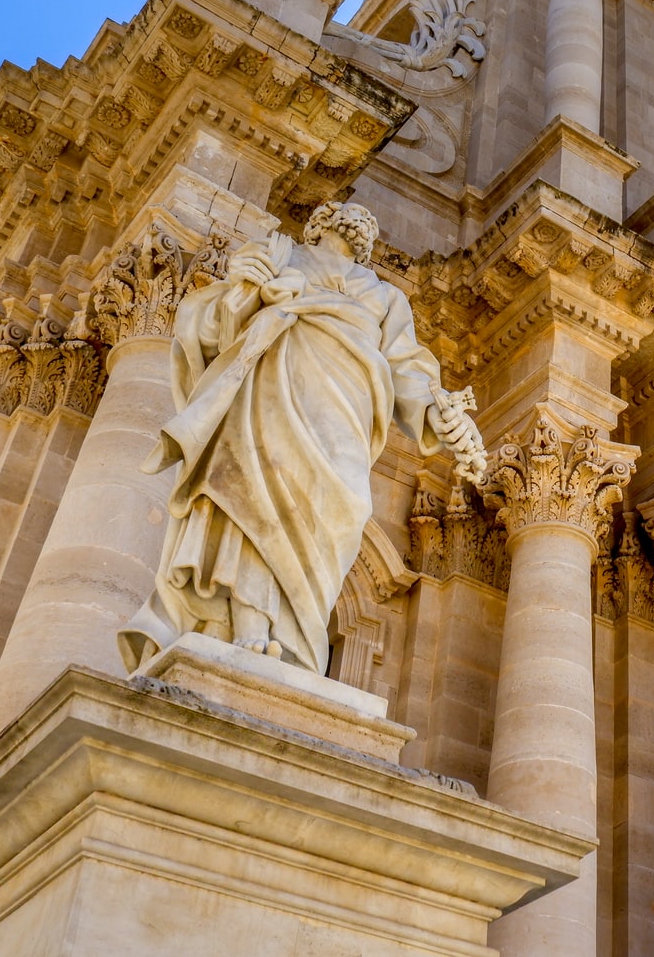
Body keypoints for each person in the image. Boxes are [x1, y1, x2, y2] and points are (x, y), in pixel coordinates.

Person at [118, 203, 485, 675]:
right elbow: (211, 321)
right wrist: (242, 288)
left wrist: (439, 415)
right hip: (271, 391)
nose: (356, 216)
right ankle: (251, 621)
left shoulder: (386, 296)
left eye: (364, 217)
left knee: (342, 512)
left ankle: (296, 636)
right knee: (253, 495)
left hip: (345, 414)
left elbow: (407, 368)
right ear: (316, 224)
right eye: (342, 211)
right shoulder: (278, 254)